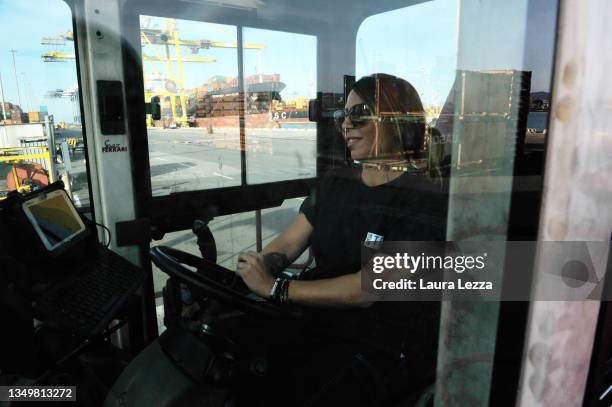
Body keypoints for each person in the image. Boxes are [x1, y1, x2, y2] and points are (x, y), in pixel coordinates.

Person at [235, 73, 447, 406]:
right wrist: (259, 266)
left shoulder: (423, 199)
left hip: (378, 344)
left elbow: (365, 290)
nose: (346, 125)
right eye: (342, 116)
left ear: (396, 120)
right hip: (319, 323)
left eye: (358, 114)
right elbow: (290, 243)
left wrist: (277, 288)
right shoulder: (337, 183)